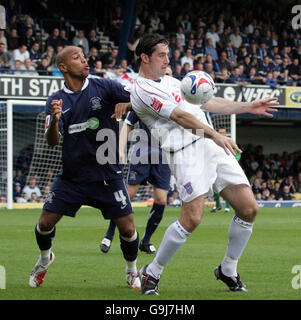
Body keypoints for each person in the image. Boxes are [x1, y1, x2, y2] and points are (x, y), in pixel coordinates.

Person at [130, 33, 278, 295]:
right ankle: (152, 272)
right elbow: (179, 117)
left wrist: (247, 106)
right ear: (145, 57)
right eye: (161, 55)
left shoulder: (173, 82)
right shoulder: (141, 90)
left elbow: (207, 102)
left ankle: (228, 269)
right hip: (186, 153)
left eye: (167, 54)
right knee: (192, 218)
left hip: (212, 144)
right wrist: (215, 134)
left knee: (249, 209)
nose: (167, 60)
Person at [28, 46, 140, 291]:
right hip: (73, 178)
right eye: (77, 58)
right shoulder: (56, 101)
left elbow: (139, 98)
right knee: (45, 223)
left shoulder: (105, 86)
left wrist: (128, 106)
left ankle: (132, 271)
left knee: (128, 227)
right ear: (64, 67)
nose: (85, 60)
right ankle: (45, 259)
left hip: (107, 174)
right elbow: (52, 141)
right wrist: (56, 121)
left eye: (84, 56)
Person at [100, 110, 171, 255]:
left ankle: (145, 241)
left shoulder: (172, 101)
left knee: (161, 200)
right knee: (127, 196)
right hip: (142, 152)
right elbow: (128, 123)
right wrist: (120, 150)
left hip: (164, 155)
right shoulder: (143, 99)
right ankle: (109, 235)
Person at [210, 127, 240, 213]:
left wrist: (233, 161)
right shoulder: (213, 143)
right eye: (220, 132)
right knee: (215, 187)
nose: (221, 134)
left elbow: (238, 153)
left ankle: (227, 207)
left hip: (227, 168)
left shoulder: (230, 142)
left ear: (226, 133)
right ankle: (218, 205)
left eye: (223, 132)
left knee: (227, 187)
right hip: (215, 168)